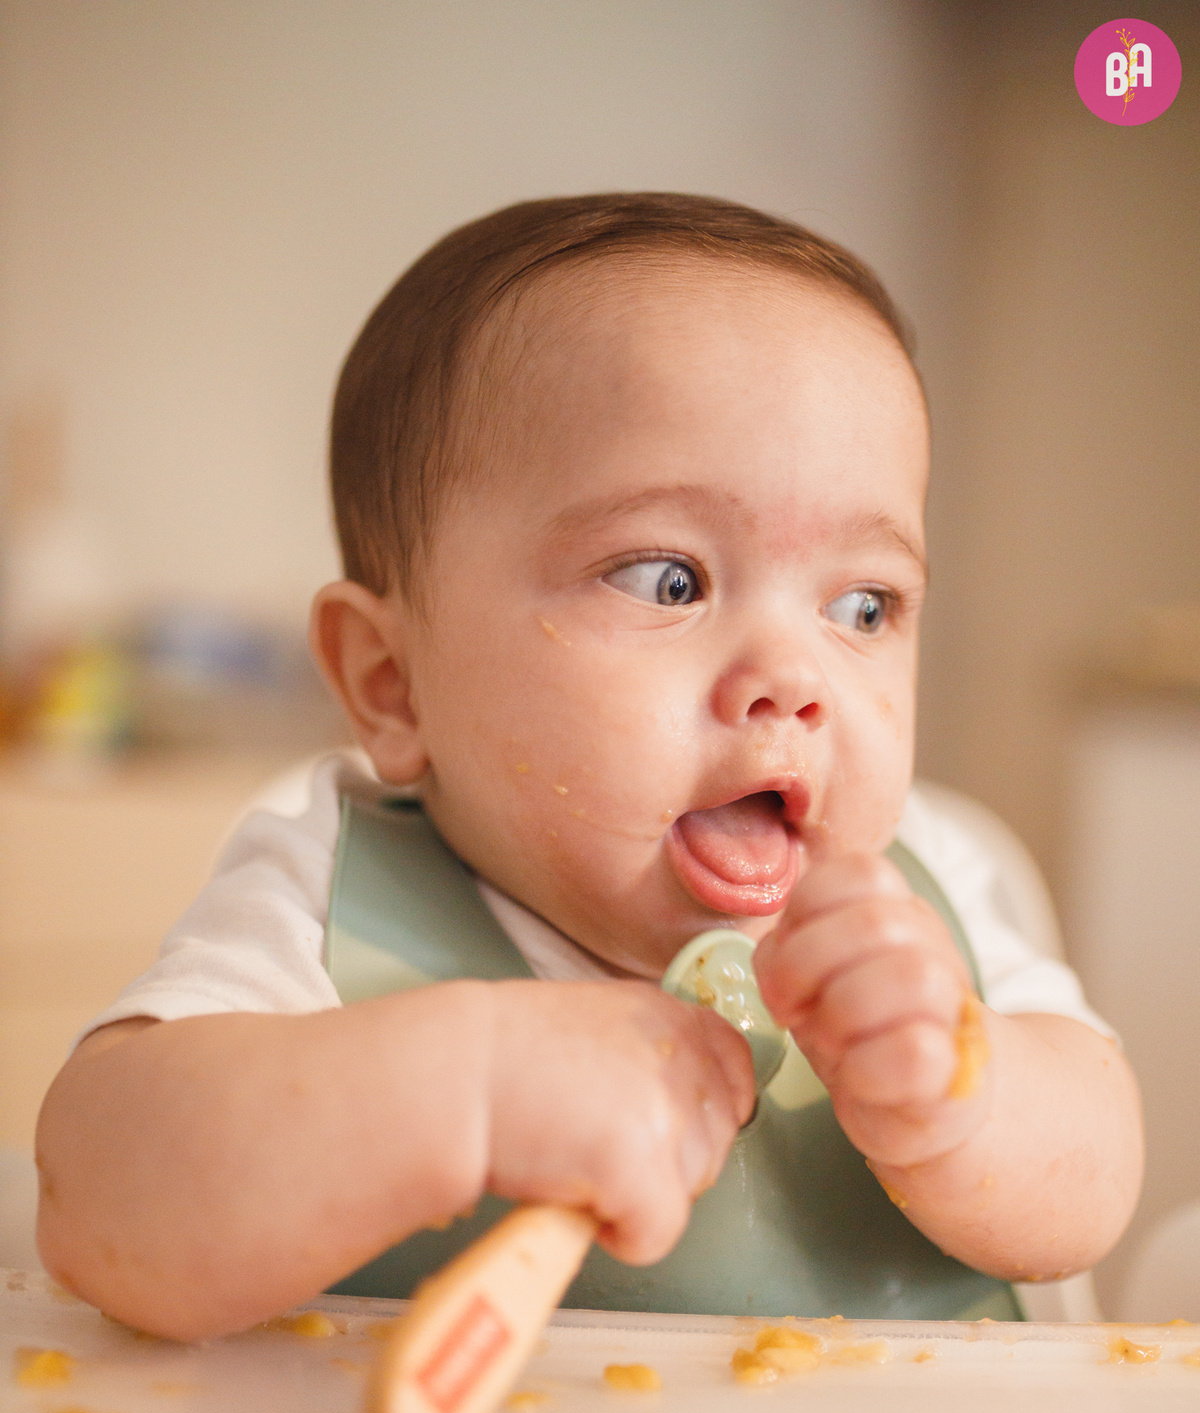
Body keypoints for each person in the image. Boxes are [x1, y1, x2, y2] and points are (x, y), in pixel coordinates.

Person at [35, 193, 1142, 1342]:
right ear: (390, 683)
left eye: (864, 605)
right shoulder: (331, 895)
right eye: (669, 579)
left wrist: (962, 1097)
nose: (794, 676)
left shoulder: (932, 894)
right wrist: (467, 1088)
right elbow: (96, 1194)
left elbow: (1098, 1181)